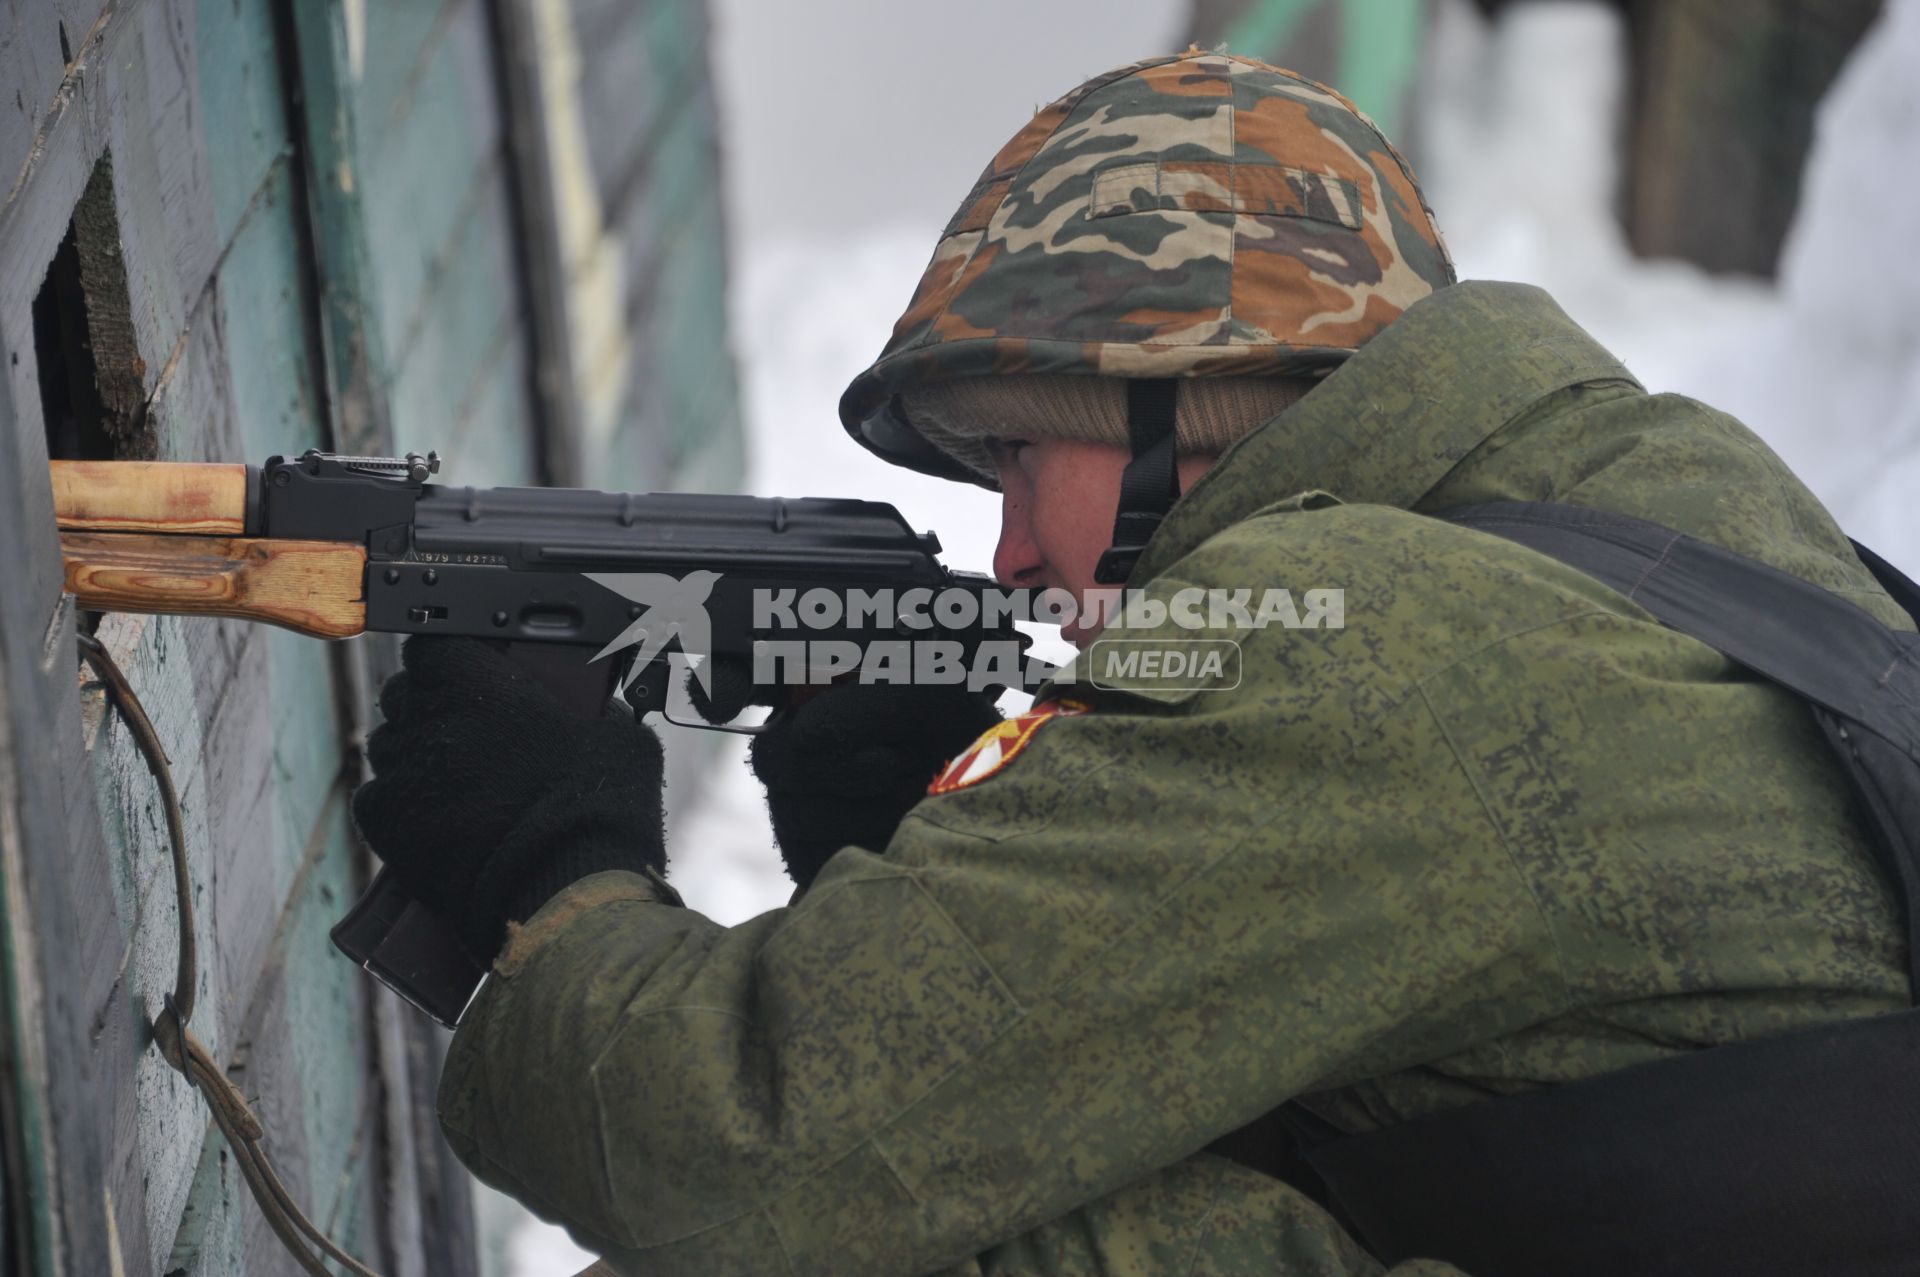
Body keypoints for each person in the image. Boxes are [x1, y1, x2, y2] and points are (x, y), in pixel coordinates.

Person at [350, 51, 1917, 1276]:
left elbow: (724, 1151)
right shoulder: (1657, 493)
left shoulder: (1355, 645)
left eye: (1025, 456)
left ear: (1185, 408)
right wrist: (922, 821)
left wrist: (549, 850)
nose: (1014, 552)